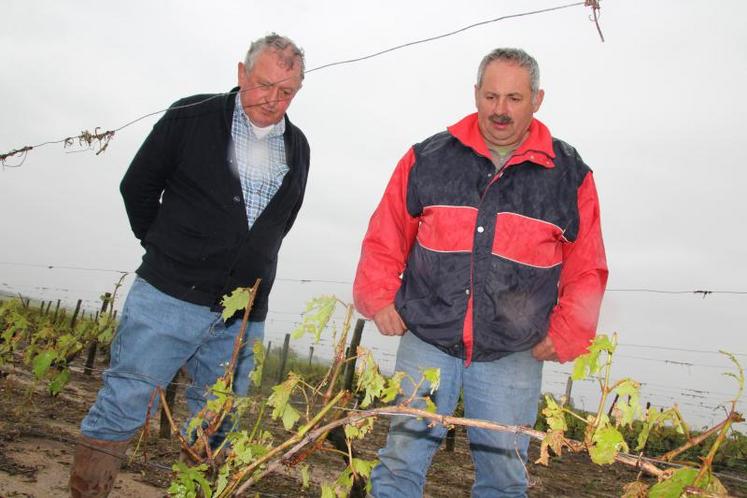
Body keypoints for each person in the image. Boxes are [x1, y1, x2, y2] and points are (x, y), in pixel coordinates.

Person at [353, 48, 607, 497]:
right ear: (475, 94)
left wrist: (569, 331)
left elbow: (587, 266)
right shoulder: (428, 158)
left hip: (513, 351)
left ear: (537, 99)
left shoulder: (569, 174)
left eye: (513, 98)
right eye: (491, 96)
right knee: (399, 466)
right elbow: (387, 232)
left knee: (504, 480)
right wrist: (377, 294)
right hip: (428, 338)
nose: (500, 110)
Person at [69, 34, 310, 498]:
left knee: (218, 423)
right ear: (241, 73)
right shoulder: (191, 116)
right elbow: (136, 187)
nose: (272, 100)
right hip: (167, 300)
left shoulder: (298, 147)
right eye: (263, 85)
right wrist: (167, 250)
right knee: (124, 403)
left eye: (286, 92)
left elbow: (281, 222)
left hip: (241, 318)